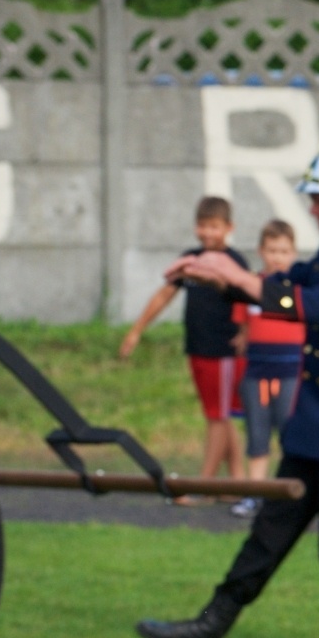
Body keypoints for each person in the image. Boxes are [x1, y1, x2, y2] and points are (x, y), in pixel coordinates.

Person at [134, 134, 319, 638]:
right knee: (267, 534)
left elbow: (314, 304)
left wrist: (238, 276)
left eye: (317, 200)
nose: (310, 209)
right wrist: (218, 278)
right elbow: (286, 281)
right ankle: (209, 628)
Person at [119, 195, 247, 498]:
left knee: (219, 417)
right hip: (198, 349)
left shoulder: (234, 262)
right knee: (218, 415)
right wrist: (137, 330)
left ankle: (204, 484)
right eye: (203, 226)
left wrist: (245, 333)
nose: (208, 233)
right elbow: (164, 295)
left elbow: (249, 297)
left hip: (224, 352)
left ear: (229, 228)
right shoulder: (189, 261)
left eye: (214, 226)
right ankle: (236, 483)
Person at [228, 219, 304, 519]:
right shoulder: (250, 288)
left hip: (290, 373)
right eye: (272, 250)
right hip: (256, 374)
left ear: (293, 253)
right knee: (257, 435)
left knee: (291, 434)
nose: (277, 256)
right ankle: (255, 494)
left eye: (284, 250)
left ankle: (290, 493)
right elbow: (242, 329)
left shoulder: (300, 290)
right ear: (261, 251)